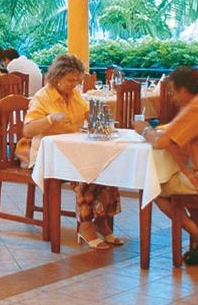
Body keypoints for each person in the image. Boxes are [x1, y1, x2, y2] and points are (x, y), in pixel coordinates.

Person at [23, 54, 123, 250]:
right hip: (48, 157)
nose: (74, 84)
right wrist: (50, 119)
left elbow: (88, 113)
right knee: (85, 171)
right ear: (57, 77)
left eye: (77, 80)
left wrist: (100, 120)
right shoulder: (42, 97)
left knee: (105, 166)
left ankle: (101, 220)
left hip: (74, 151)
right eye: (70, 80)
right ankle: (85, 225)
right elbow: (27, 131)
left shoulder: (75, 94)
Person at [135, 67, 198, 265]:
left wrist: (144, 129)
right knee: (184, 175)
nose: (172, 98)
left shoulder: (197, 108)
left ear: (183, 90)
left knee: (154, 186)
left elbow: (161, 142)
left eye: (172, 92)